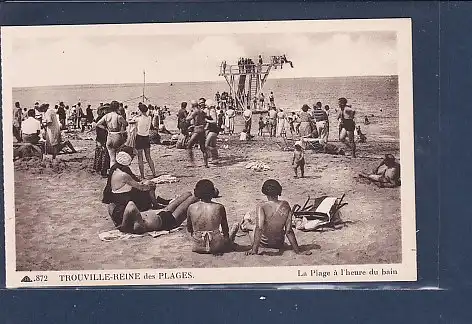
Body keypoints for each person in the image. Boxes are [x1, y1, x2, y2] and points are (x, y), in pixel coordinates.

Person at [102, 147, 195, 234]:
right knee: (190, 197)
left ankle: (158, 203)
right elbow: (131, 206)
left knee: (188, 195)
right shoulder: (137, 225)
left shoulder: (134, 219)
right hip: (169, 220)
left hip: (162, 214)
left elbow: (126, 207)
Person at [239, 180, 308, 255]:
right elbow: (289, 231)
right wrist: (297, 251)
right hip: (279, 243)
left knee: (252, 229)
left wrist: (254, 250)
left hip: (264, 243)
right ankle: (246, 223)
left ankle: (245, 223)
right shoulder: (286, 205)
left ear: (265, 192)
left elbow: (259, 229)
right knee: (263, 226)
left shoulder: (261, 206)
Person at [187, 179, 238, 254]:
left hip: (197, 246)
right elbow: (225, 229)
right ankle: (233, 232)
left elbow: (189, 229)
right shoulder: (219, 207)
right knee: (233, 230)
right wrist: (227, 239)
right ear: (212, 192)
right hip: (216, 246)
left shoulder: (191, 207)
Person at [95, 100, 128, 167]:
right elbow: (126, 124)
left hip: (109, 136)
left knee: (112, 159)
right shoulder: (119, 116)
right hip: (117, 135)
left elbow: (97, 124)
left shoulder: (106, 116)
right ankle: (118, 174)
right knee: (119, 158)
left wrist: (105, 128)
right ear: (117, 107)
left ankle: (112, 174)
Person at [135, 104, 157, 179]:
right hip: (146, 137)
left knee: (140, 157)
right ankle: (154, 173)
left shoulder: (138, 119)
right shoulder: (149, 118)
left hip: (139, 137)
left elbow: (132, 122)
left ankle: (142, 176)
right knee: (148, 157)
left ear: (140, 110)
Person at [186, 98, 209, 167]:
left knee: (189, 146)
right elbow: (205, 119)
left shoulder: (195, 111)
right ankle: (206, 164)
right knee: (203, 148)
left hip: (197, 130)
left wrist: (190, 112)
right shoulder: (201, 111)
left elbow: (188, 119)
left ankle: (192, 162)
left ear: (192, 105)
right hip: (202, 129)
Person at [204, 100, 220, 165]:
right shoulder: (210, 110)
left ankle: (213, 157)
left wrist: (207, 120)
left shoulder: (212, 111)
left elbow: (215, 121)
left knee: (206, 145)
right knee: (212, 145)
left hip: (213, 129)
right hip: (213, 129)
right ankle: (215, 159)